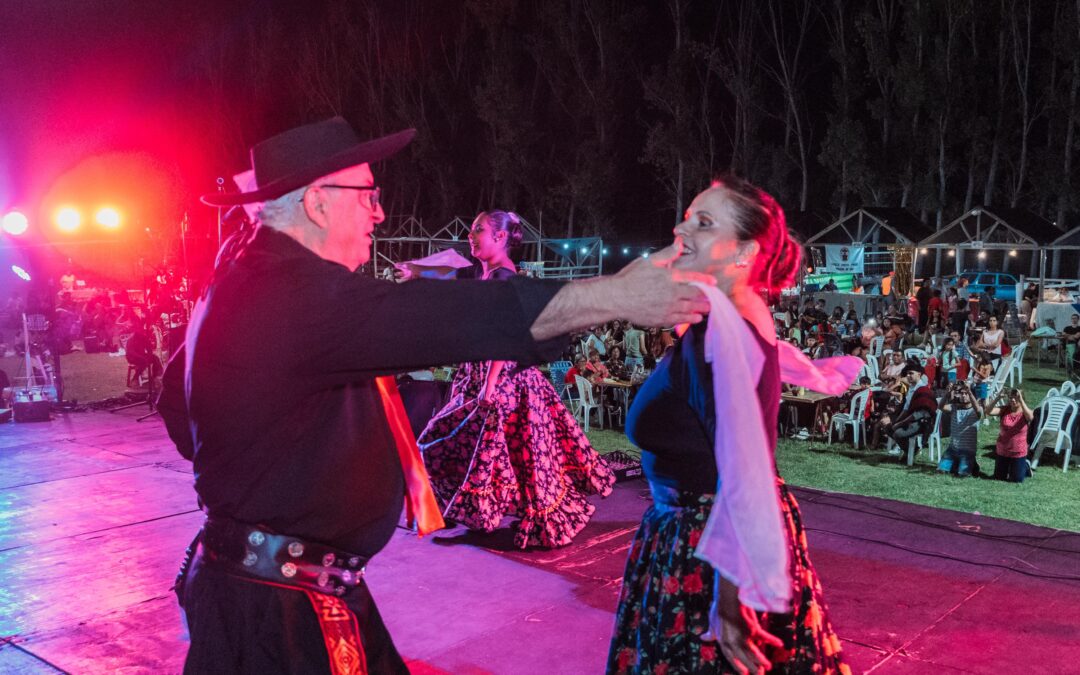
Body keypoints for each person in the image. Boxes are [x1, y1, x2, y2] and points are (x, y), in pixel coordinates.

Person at [164, 117, 711, 674]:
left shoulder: (246, 278)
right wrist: (617, 293)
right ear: (317, 203)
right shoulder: (291, 295)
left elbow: (176, 408)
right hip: (279, 613)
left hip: (278, 585)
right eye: (369, 196)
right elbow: (453, 318)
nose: (379, 212)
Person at [607, 176, 848, 674]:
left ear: (742, 253)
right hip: (701, 535)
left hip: (708, 546)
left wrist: (731, 597)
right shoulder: (730, 315)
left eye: (703, 221)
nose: (680, 227)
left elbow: (744, 463)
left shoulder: (723, 338)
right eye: (688, 215)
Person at [414, 210, 616, 549]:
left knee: (516, 454)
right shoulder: (482, 275)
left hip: (504, 378)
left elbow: (506, 335)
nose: (470, 235)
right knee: (494, 451)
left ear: (501, 237)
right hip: (478, 375)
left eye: (478, 229)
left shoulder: (506, 278)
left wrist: (491, 382)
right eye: (470, 229)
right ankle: (474, 508)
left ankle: (524, 516)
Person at [936, 382, 983, 477]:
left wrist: (969, 391)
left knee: (962, 474)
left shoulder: (976, 410)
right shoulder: (954, 408)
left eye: (966, 393)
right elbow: (940, 407)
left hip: (967, 451)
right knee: (941, 471)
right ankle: (959, 464)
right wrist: (947, 393)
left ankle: (972, 464)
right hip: (952, 449)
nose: (964, 396)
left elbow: (978, 411)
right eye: (962, 393)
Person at [988, 388, 1034, 483]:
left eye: (1016, 398)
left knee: (1016, 480)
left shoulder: (1025, 412)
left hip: (1018, 451)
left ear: (1021, 399)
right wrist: (997, 398)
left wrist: (1021, 400)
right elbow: (988, 411)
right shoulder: (1004, 409)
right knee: (999, 478)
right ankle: (1012, 467)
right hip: (1003, 450)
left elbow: (1030, 418)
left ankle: (1025, 467)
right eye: (1010, 398)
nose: (1012, 400)